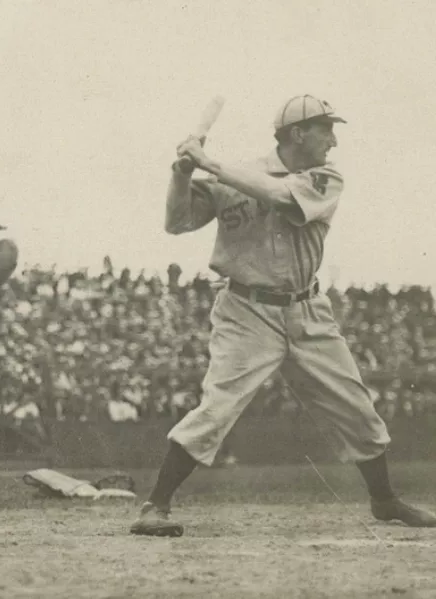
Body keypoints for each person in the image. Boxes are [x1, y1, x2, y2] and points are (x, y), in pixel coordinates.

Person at [130, 95, 436, 537]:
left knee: (356, 408)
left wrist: (208, 162)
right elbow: (176, 223)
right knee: (217, 407)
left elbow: (277, 194)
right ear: (298, 133)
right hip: (245, 311)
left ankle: (384, 501)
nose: (332, 140)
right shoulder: (234, 177)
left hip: (308, 310)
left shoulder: (324, 178)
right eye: (325, 130)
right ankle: (155, 506)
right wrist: (180, 174)